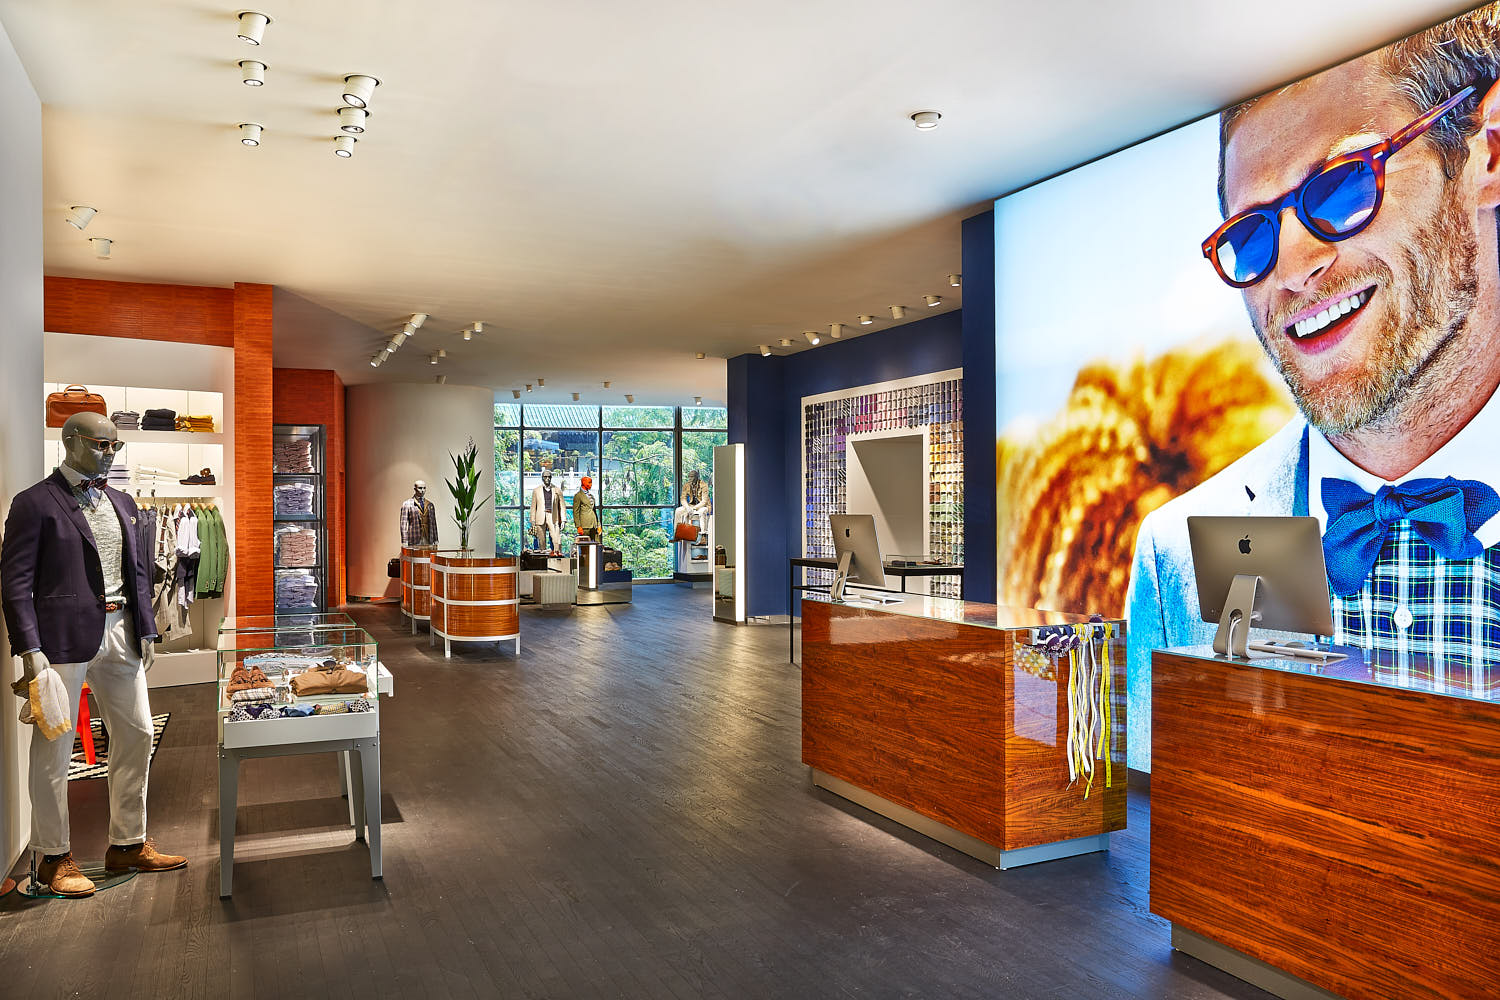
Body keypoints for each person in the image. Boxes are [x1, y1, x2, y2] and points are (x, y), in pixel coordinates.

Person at [1130, 10, 1500, 677]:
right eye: (1250, 235)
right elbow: (1174, 781)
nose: (1293, 267)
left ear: (1488, 149)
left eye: (1343, 183)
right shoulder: (1177, 552)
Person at [2, 412, 187, 897]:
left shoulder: (122, 501)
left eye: (115, 446)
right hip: (61, 638)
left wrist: (147, 630)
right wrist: (29, 648)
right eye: (100, 444)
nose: (108, 453)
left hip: (121, 629)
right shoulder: (35, 503)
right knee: (54, 748)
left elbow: (138, 572)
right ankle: (53, 856)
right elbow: (16, 583)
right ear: (70, 442)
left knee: (138, 733)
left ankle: (127, 842)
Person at [529, 469, 563, 553]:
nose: (547, 478)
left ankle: (556, 554)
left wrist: (563, 520)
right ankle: (542, 559)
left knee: (556, 539)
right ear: (542, 478)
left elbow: (562, 506)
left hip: (553, 516)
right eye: (545, 477)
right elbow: (533, 507)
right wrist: (532, 520)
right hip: (540, 516)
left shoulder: (557, 490)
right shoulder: (536, 491)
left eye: (549, 477)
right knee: (541, 541)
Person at [674, 469, 711, 538]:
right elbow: (683, 498)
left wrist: (694, 508)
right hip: (691, 505)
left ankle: (703, 535)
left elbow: (704, 501)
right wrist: (687, 507)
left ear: (696, 477)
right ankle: (678, 532)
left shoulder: (703, 485)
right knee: (678, 510)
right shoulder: (686, 485)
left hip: (702, 506)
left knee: (702, 512)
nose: (690, 478)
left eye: (692, 477)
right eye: (689, 477)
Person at [572, 475, 600, 543]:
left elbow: (594, 511)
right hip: (584, 525)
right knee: (585, 546)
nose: (591, 485)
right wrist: (578, 526)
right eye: (589, 482)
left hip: (594, 525)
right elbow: (576, 512)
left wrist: (598, 524)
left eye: (591, 482)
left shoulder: (591, 496)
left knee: (597, 544)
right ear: (583, 483)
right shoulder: (578, 496)